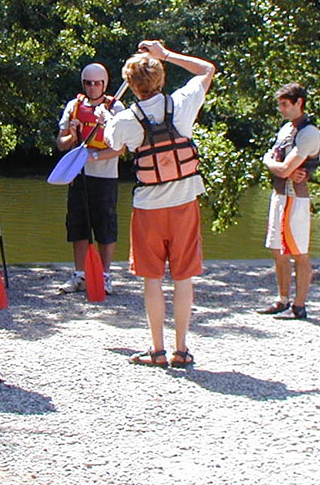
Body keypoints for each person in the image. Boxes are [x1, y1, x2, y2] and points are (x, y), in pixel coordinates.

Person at [103, 41, 216, 369]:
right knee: (183, 279)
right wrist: (165, 54)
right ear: (161, 78)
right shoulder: (182, 103)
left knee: (152, 279)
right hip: (184, 205)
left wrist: (107, 115)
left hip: (149, 209)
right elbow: (207, 69)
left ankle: (157, 350)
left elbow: (114, 145)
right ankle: (181, 350)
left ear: (132, 84)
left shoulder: (124, 119)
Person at [256, 82, 320, 320]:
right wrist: (277, 166)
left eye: (286, 104)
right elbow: (282, 164)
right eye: (281, 105)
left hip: (295, 199)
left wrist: (269, 162)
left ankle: (299, 305)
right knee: (277, 249)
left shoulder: (309, 133)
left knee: (299, 252)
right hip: (279, 195)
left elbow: (285, 169)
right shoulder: (286, 129)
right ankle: (283, 299)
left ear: (299, 103)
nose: (282, 109)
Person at [55, 63, 125, 295]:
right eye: (88, 83)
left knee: (105, 226)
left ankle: (104, 275)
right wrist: (72, 136)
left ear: (104, 84)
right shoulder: (73, 107)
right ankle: (80, 274)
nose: (93, 87)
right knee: (78, 227)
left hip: (104, 177)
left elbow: (120, 148)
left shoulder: (115, 108)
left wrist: (94, 156)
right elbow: (61, 144)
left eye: (97, 83)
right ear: (83, 84)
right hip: (79, 176)